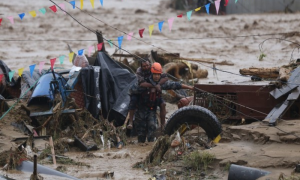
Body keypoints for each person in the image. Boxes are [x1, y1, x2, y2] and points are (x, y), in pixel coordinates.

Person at [134, 62, 194, 143]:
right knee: (141, 134)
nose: (156, 76)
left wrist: (190, 87)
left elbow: (175, 85)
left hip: (151, 109)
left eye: (158, 74)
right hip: (141, 110)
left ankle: (160, 131)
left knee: (152, 129)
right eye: (155, 74)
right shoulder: (144, 81)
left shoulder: (160, 83)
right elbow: (133, 92)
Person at [127, 59, 168, 129]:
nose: (146, 67)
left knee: (162, 104)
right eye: (144, 66)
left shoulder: (153, 68)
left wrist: (158, 84)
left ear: (150, 65)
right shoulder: (139, 71)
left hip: (150, 91)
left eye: (147, 65)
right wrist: (155, 85)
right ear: (141, 67)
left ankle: (163, 125)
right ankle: (130, 122)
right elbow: (142, 84)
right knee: (133, 100)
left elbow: (165, 77)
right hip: (138, 91)